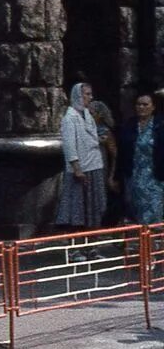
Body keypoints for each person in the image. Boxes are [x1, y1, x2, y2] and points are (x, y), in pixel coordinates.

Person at [55, 83, 107, 261]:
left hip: (94, 165)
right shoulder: (69, 117)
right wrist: (76, 167)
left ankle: (92, 246)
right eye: (86, 94)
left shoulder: (87, 115)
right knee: (77, 210)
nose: (89, 97)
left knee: (94, 209)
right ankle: (75, 249)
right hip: (80, 168)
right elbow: (69, 144)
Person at [116, 92, 164, 225]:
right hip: (133, 177)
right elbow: (121, 152)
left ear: (153, 107)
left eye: (145, 104)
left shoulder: (160, 125)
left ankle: (154, 243)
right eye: (139, 104)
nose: (141, 107)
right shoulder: (129, 125)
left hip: (155, 178)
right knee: (134, 213)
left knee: (154, 213)